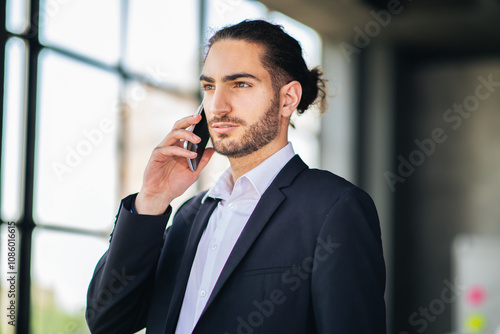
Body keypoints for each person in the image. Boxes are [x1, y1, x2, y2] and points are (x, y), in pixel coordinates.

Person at [86, 19, 386, 334]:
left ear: (287, 99)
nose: (217, 106)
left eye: (240, 84)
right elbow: (108, 321)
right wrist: (152, 199)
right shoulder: (189, 215)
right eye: (209, 86)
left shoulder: (335, 208)